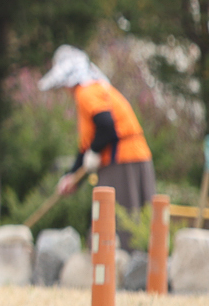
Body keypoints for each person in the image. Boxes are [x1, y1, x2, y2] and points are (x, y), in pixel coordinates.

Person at [39, 45, 155, 226]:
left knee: (116, 224)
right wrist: (72, 176)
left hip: (122, 160)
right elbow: (87, 144)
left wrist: (93, 152)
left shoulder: (87, 91)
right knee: (135, 222)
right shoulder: (96, 89)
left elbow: (107, 126)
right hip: (132, 157)